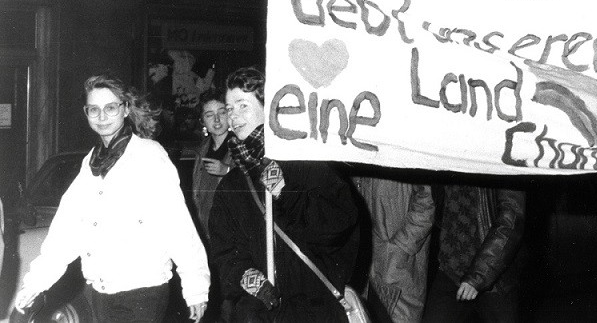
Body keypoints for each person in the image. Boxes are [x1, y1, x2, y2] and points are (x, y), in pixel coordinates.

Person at [14, 74, 210, 322]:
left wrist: (196, 287)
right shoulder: (92, 161)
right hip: (99, 293)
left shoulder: (149, 156)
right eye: (94, 110)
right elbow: (66, 229)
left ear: (126, 109)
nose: (102, 117)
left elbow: (178, 225)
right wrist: (35, 284)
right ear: (86, 113)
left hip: (141, 294)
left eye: (110, 108)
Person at [208, 67, 359, 322]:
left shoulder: (305, 163)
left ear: (268, 108)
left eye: (242, 106)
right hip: (262, 314)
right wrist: (250, 280)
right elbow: (225, 251)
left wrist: (285, 193)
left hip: (313, 309)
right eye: (229, 108)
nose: (233, 117)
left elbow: (338, 226)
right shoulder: (232, 185)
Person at [422, 179, 526, 323]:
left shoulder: (500, 160)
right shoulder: (447, 159)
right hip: (450, 270)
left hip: (493, 278)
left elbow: (511, 221)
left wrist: (478, 276)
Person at [352, 173, 435, 322]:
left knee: (398, 314)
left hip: (399, 259)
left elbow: (428, 200)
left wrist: (402, 244)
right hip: (367, 254)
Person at [193, 88, 234, 241]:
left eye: (222, 113)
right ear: (202, 121)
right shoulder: (201, 151)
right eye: (209, 115)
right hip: (207, 231)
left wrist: (228, 170)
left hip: (232, 232)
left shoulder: (240, 147)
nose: (216, 120)